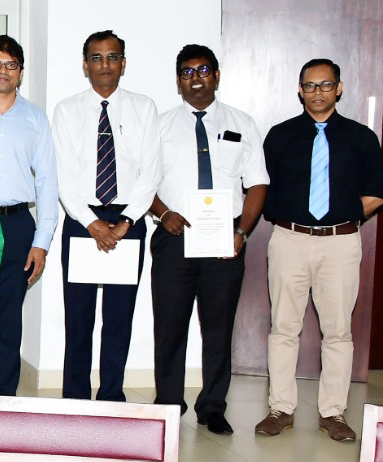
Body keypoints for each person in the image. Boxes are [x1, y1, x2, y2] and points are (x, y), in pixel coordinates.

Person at [255, 58, 383, 442]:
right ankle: (280, 408)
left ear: (339, 88)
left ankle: (333, 413)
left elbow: (377, 193)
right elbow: (262, 188)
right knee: (283, 328)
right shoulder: (279, 136)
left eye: (326, 84)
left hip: (341, 244)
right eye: (310, 85)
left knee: (338, 332)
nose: (318, 92)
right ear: (300, 90)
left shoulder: (362, 137)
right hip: (289, 240)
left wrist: (341, 216)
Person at [147, 45, 268, 436]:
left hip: (224, 238)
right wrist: (162, 212)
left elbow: (257, 183)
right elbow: (141, 182)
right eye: (187, 72)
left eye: (203, 70)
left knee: (218, 327)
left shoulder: (242, 123)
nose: (195, 78)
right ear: (178, 80)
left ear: (217, 75)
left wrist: (241, 232)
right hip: (174, 235)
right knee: (169, 326)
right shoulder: (159, 126)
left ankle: (213, 407)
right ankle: (168, 402)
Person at [51, 30, 158, 402]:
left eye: (112, 57)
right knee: (78, 318)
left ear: (123, 63)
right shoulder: (67, 110)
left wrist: (126, 222)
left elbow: (151, 172)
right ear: (85, 65)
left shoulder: (144, 108)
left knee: (119, 317)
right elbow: (62, 175)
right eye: (96, 58)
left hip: (130, 221)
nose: (105, 65)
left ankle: (112, 396)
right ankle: (76, 398)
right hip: (82, 222)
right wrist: (91, 222)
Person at [0, 35, 59, 397]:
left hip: (17, 226)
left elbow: (47, 181)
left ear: (20, 72)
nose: (3, 70)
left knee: (9, 318)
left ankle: (4, 400)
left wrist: (41, 243)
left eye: (11, 64)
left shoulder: (35, 118)